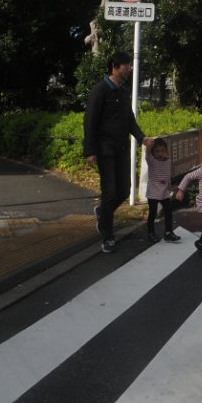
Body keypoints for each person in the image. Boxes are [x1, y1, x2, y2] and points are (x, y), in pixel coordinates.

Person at [83, 51, 153, 253]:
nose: (130, 68)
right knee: (110, 192)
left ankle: (103, 213)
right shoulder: (100, 90)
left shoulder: (122, 91)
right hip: (105, 149)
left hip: (121, 148)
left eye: (129, 65)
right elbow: (89, 121)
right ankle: (107, 236)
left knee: (124, 190)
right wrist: (90, 150)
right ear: (115, 66)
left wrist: (142, 138)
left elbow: (129, 120)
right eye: (126, 65)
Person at [145, 138, 180, 244]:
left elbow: (167, 175)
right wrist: (148, 145)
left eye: (162, 151)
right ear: (152, 152)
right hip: (153, 192)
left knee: (168, 211)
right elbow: (147, 154)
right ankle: (150, 233)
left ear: (166, 151)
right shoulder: (152, 161)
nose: (160, 153)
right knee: (152, 213)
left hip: (164, 191)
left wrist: (169, 186)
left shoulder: (167, 161)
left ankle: (168, 232)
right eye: (157, 151)